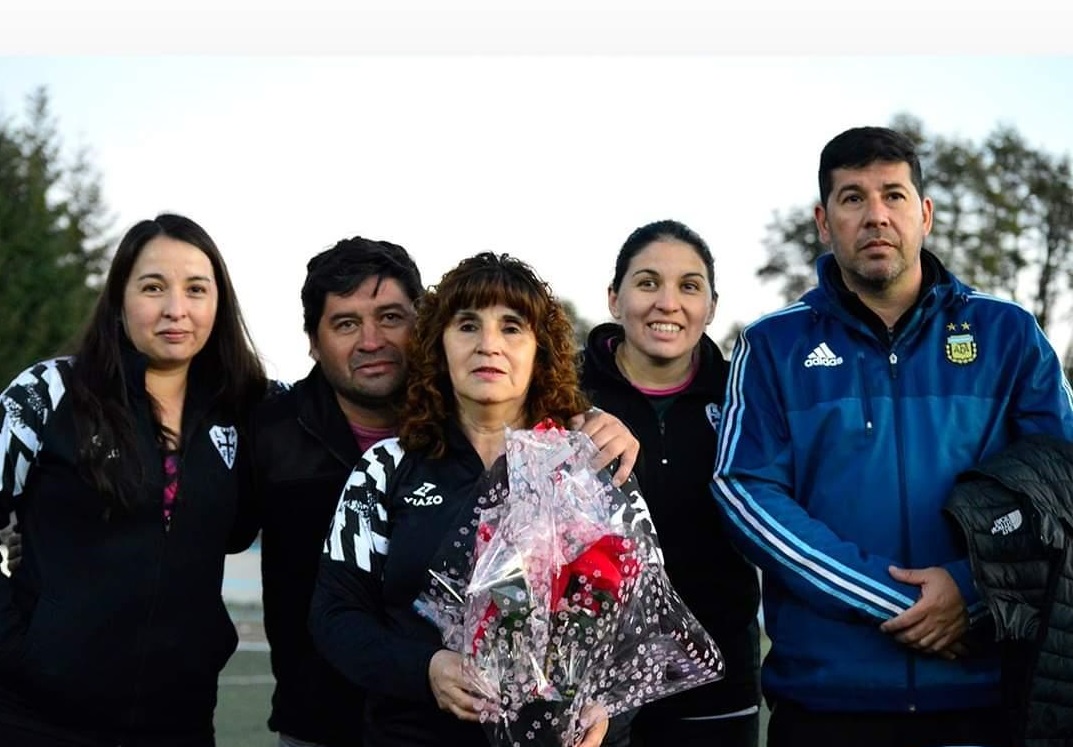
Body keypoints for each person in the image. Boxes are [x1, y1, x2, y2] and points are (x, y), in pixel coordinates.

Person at [712, 125, 1073, 747]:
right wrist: (889, 598)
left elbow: (1062, 490)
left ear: (925, 213)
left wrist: (972, 591)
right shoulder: (773, 345)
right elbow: (745, 492)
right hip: (827, 704)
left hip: (985, 695)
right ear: (824, 223)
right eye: (853, 198)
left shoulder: (1008, 334)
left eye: (893, 195)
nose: (876, 215)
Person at [253, 239, 641, 747]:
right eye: (467, 326)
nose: (489, 344)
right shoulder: (385, 467)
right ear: (436, 345)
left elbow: (637, 627)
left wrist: (607, 711)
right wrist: (426, 668)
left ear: (539, 350)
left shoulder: (590, 464)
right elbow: (335, 616)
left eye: (512, 327)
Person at [0, 213, 267, 746]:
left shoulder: (246, 411)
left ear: (219, 303)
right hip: (38, 719)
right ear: (119, 299)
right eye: (153, 287)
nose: (176, 309)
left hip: (181, 721)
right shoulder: (47, 392)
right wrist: (15, 644)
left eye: (196, 289)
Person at [580, 219, 761, 747]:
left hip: (717, 680)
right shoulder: (565, 397)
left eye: (689, 286)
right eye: (647, 283)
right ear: (615, 299)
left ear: (711, 305)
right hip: (591, 689)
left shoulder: (744, 400)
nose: (667, 302)